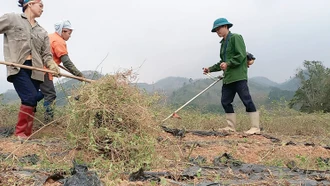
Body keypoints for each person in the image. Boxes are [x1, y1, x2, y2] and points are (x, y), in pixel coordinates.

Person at [0, 0, 60, 139]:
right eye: (41, 5)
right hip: (18, 67)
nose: (42, 9)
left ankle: (27, 134)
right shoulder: (12, 19)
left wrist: (52, 65)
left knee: (31, 99)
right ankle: (20, 133)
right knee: (30, 97)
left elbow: (46, 55)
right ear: (30, 4)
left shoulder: (42, 31)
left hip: (36, 70)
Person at [203, 18, 260, 135]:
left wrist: (228, 63)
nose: (217, 31)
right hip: (228, 78)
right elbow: (223, 61)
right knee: (225, 101)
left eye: (219, 28)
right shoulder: (223, 43)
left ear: (225, 27)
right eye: (215, 30)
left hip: (238, 76)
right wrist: (210, 69)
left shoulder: (236, 37)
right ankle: (231, 127)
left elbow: (240, 56)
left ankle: (255, 127)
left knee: (246, 100)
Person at [40, 20, 83, 123]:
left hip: (37, 67)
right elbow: (67, 62)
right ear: (63, 31)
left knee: (41, 93)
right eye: (69, 33)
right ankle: (48, 121)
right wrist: (79, 75)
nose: (70, 36)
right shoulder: (59, 41)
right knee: (50, 95)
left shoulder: (51, 37)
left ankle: (35, 114)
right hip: (43, 70)